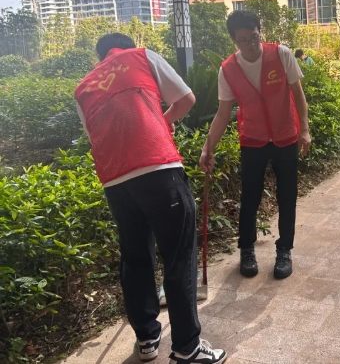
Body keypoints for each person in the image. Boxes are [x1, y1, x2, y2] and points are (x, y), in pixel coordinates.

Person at [73, 33, 227, 364]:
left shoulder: (84, 88)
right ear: (126, 47)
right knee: (178, 256)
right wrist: (162, 122)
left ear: (100, 58)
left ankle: (146, 339)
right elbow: (186, 99)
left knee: (135, 258)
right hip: (158, 169)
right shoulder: (140, 56)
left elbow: (95, 135)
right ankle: (187, 347)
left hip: (116, 182)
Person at [200, 11, 311, 280]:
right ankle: (247, 250)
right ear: (233, 39)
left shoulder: (281, 54)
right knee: (250, 197)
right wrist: (207, 148)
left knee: (287, 196)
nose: (251, 44)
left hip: (286, 136)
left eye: (254, 37)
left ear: (260, 32)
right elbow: (223, 114)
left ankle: (284, 250)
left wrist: (305, 130)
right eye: (243, 40)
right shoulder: (228, 70)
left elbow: (298, 95)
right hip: (252, 140)